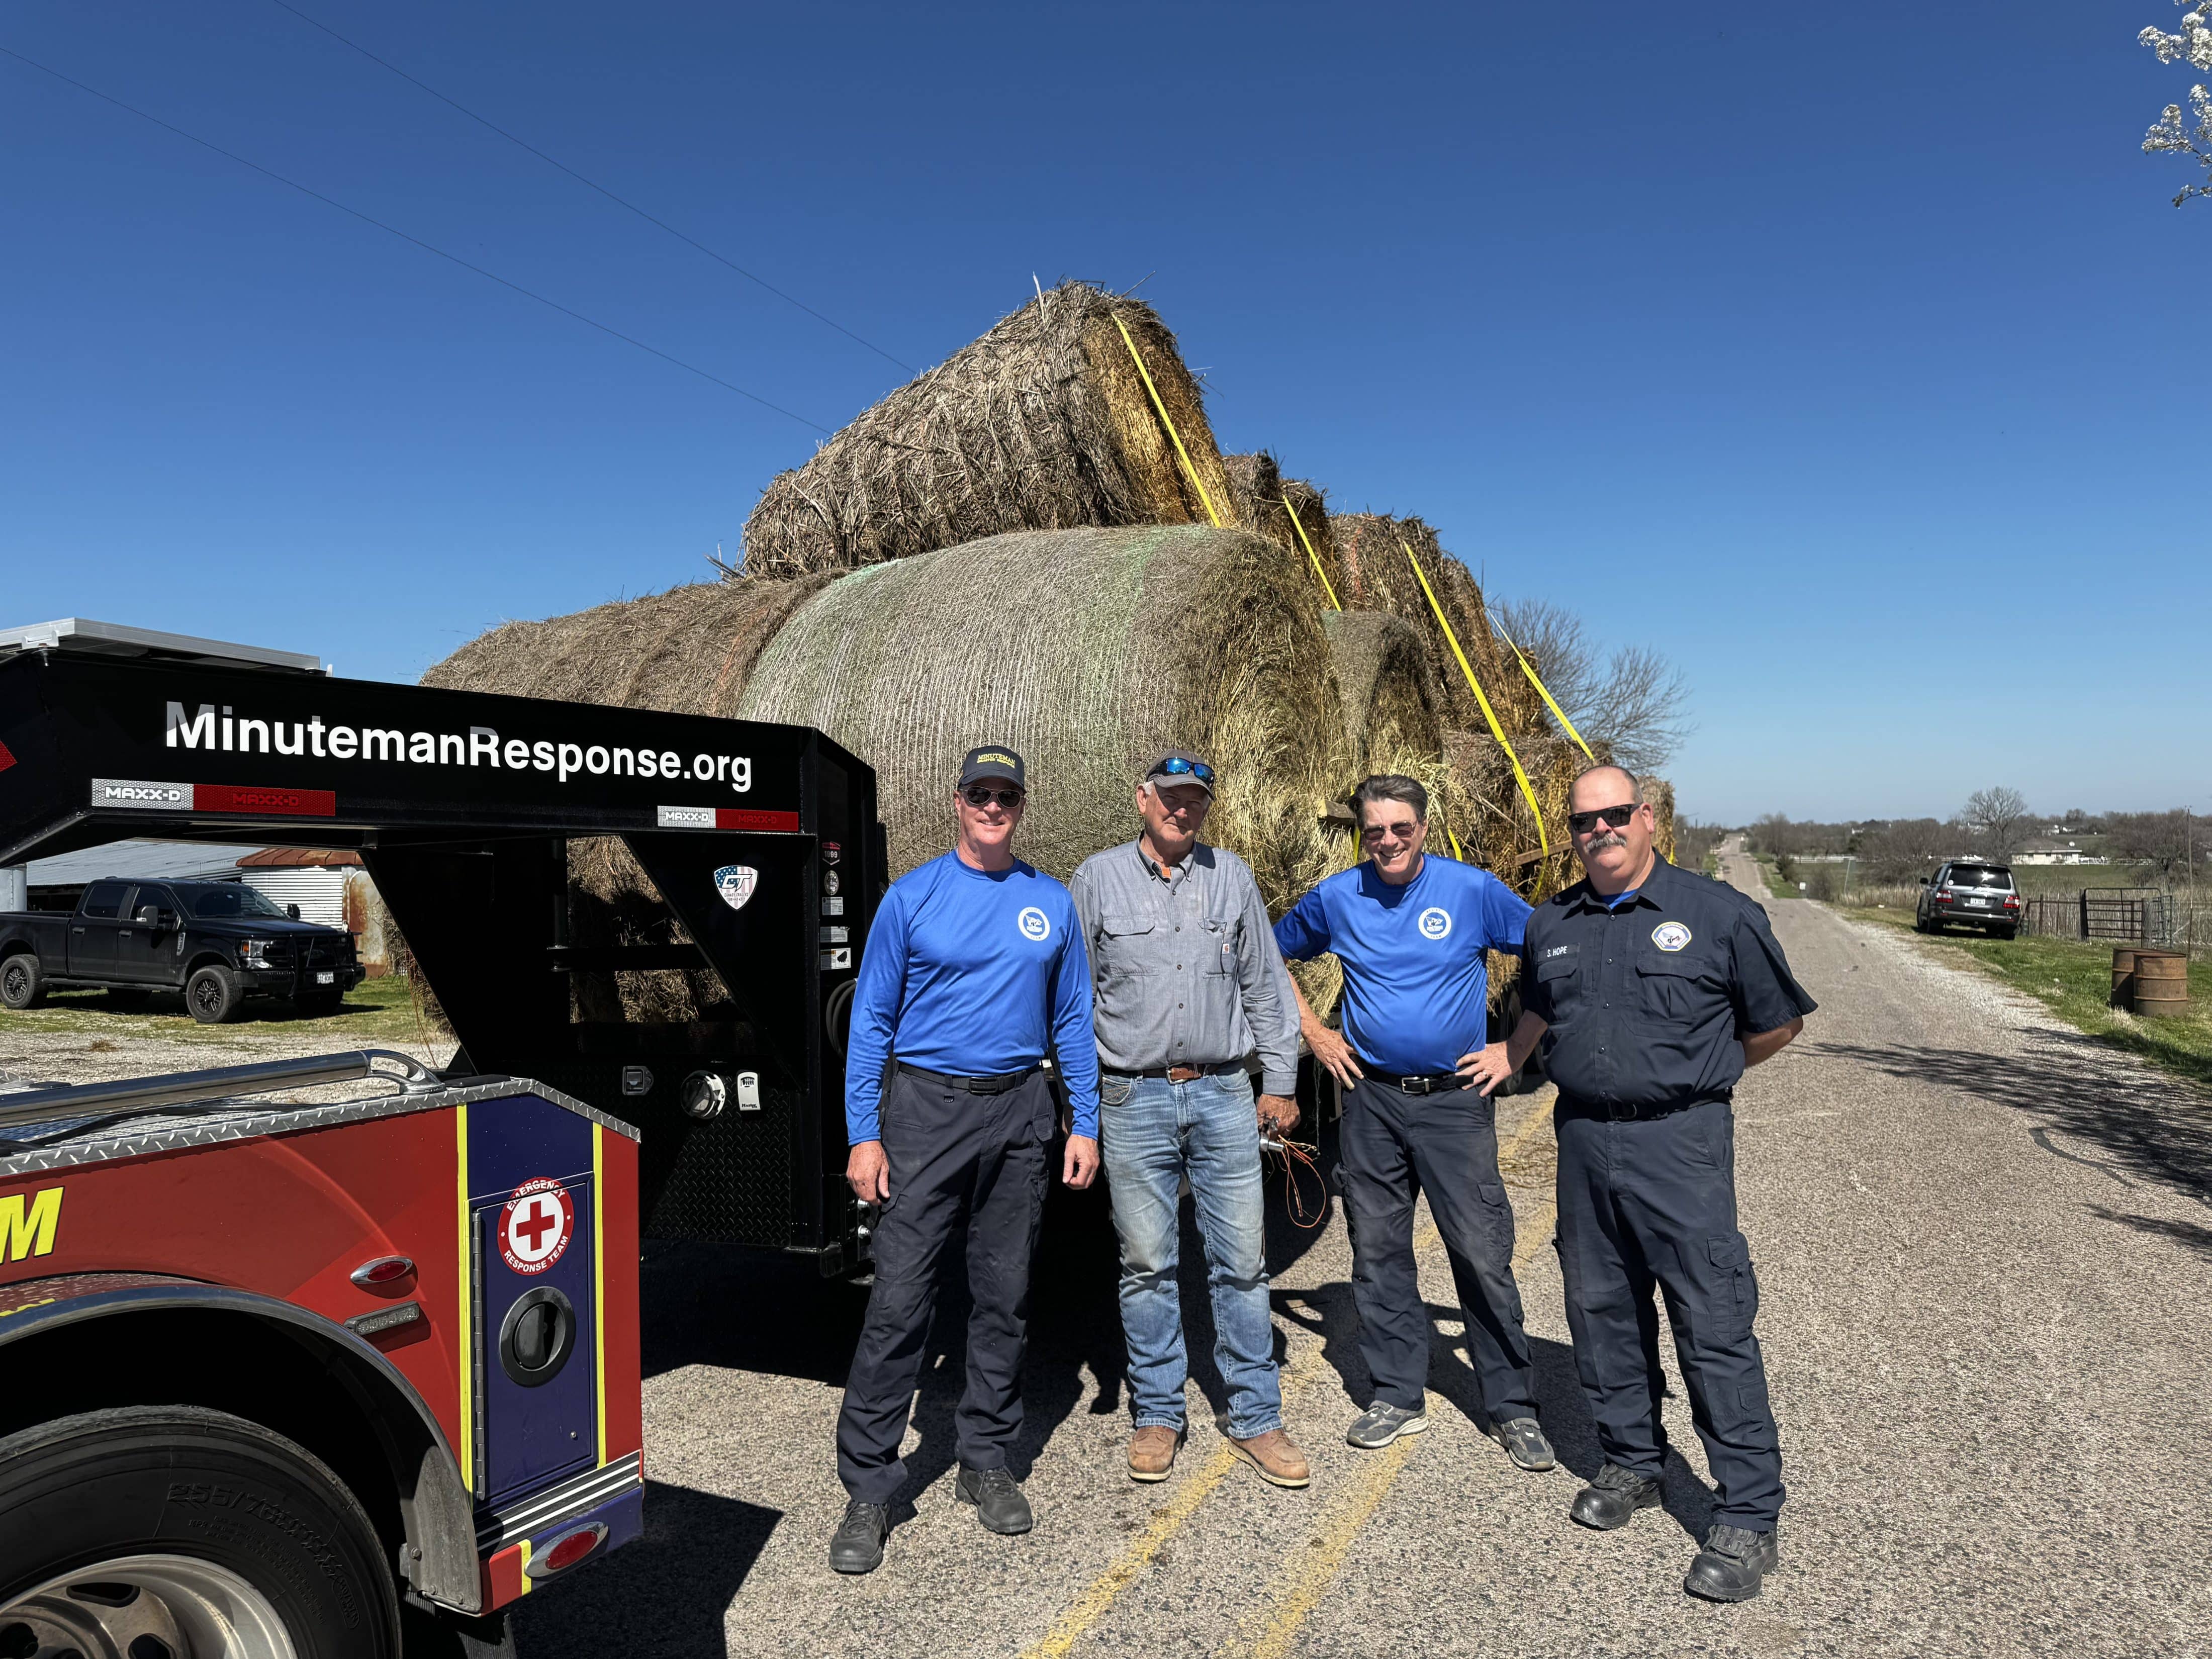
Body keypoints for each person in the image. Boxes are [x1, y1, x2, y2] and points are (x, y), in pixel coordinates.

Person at [1477, 764, 1815, 1603]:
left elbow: (1778, 1023)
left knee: (1711, 1319)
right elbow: (1540, 1010)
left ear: (1650, 818)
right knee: (1600, 1313)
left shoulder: (1717, 914)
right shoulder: (1551, 922)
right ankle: (1633, 1461)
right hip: (1585, 1139)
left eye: (1616, 815)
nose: (1601, 831)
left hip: (1682, 1144)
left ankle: (1747, 1511)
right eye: (1584, 821)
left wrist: (1699, 1073)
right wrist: (1513, 1055)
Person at [827, 745, 1101, 1575]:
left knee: (1005, 1297)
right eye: (980, 794)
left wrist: (1081, 1123)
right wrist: (863, 1134)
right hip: (924, 1113)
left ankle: (985, 1458)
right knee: (900, 1302)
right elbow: (871, 1022)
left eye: (1006, 796)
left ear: (1021, 806)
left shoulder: (1049, 903)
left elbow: (1075, 1021)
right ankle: (871, 1486)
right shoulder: (912, 898)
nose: (993, 807)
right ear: (957, 802)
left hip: (1020, 1111)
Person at [1273, 774, 1554, 1471]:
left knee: (1481, 1251)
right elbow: (1267, 952)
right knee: (1377, 1252)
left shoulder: (1471, 890)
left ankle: (1512, 1405)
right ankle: (1398, 1394)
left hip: (1456, 1101)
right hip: (1370, 1099)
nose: (1389, 841)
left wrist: (1515, 1049)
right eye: (1375, 831)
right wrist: (1314, 1031)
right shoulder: (1340, 897)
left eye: (1402, 828)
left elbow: (1553, 953)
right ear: (1361, 835)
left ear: (1424, 828)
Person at [1070, 752, 1309, 1489]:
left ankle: (1255, 1417)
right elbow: (1072, 1002)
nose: (1183, 809)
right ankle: (1158, 1414)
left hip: (1222, 1093)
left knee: (1241, 1261)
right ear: (1143, 799)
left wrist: (1281, 1081)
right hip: (1132, 1097)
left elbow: (1265, 985)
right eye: (1171, 797)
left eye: (1196, 800)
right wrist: (1080, 1108)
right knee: (1147, 1264)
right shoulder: (1096, 879)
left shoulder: (1231, 877)